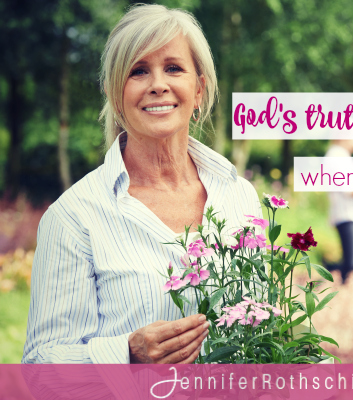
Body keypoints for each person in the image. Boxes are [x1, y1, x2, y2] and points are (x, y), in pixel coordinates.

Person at [22, 4, 261, 364]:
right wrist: (126, 355)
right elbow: (41, 369)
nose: (158, 85)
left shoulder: (238, 195)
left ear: (198, 89)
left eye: (173, 68)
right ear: (114, 95)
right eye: (138, 71)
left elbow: (263, 327)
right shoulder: (73, 218)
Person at [323, 139, 353, 283]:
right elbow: (350, 189)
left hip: (351, 215)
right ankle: (324, 276)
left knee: (351, 263)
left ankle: (327, 276)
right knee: (350, 264)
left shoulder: (341, 157)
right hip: (346, 214)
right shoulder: (336, 156)